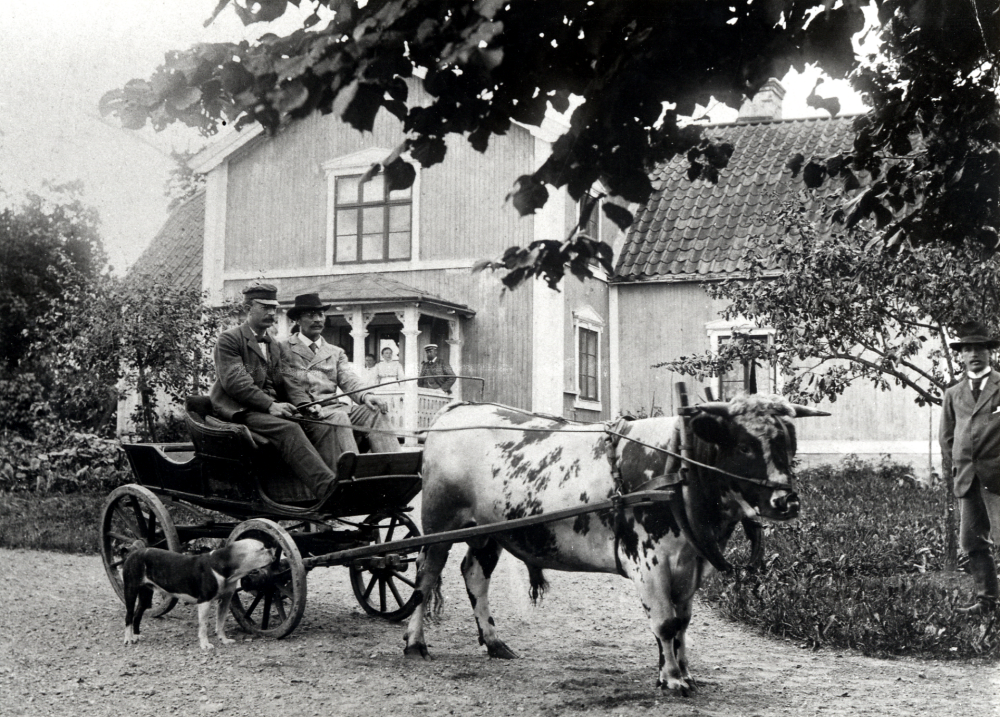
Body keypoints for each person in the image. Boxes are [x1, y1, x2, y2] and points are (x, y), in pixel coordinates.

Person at [208, 282, 342, 503]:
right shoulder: (229, 339)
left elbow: (288, 381)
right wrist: (271, 405)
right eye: (265, 307)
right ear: (248, 309)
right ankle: (327, 490)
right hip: (240, 409)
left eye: (274, 308)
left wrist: (306, 405)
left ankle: (327, 485)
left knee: (321, 424)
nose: (272, 313)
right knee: (289, 428)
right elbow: (236, 382)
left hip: (268, 409)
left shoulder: (273, 345)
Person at [281, 293, 400, 454]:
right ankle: (352, 473)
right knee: (339, 418)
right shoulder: (283, 348)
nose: (317, 319)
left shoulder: (335, 352)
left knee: (375, 410)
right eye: (310, 315)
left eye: (321, 314)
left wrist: (366, 395)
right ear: (297, 320)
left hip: (334, 408)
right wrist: (304, 405)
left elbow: (349, 379)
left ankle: (395, 470)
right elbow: (285, 384)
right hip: (304, 412)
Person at [940, 320, 1000, 615]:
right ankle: (987, 601)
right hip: (968, 478)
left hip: (999, 477)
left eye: (980, 348)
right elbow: (948, 437)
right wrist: (956, 470)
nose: (974, 354)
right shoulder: (953, 393)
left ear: (991, 353)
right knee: (972, 541)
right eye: (968, 349)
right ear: (960, 356)